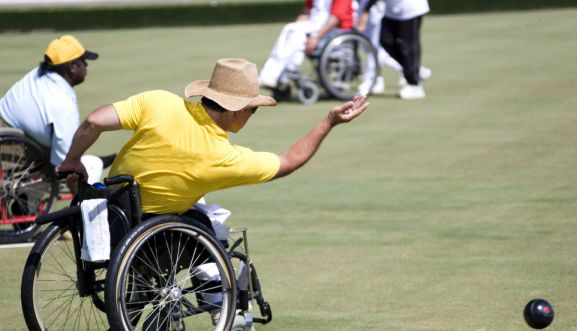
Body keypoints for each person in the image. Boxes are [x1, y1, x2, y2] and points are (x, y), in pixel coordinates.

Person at [57, 59, 368, 222]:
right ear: (236, 111)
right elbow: (287, 162)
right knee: (213, 225)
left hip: (114, 212)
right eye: (252, 110)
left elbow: (94, 121)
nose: (252, 116)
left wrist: (72, 160)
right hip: (155, 229)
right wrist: (329, 122)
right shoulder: (221, 157)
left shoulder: (159, 102)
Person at [0, 34, 106, 185]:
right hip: (11, 150)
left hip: (8, 133)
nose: (86, 65)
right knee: (89, 165)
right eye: (83, 61)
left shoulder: (36, 74)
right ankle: (78, 204)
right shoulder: (63, 105)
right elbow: (65, 162)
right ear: (72, 66)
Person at [258, 0, 354, 89]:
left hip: (333, 33)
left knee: (296, 32)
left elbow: (335, 19)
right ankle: (278, 73)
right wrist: (300, 21)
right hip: (315, 27)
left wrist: (315, 37)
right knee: (290, 28)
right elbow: (307, 11)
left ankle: (278, 74)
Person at [356, 0, 431, 95]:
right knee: (385, 40)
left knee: (408, 46)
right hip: (391, 11)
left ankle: (415, 85)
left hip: (410, 8)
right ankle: (414, 69)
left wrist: (365, 11)